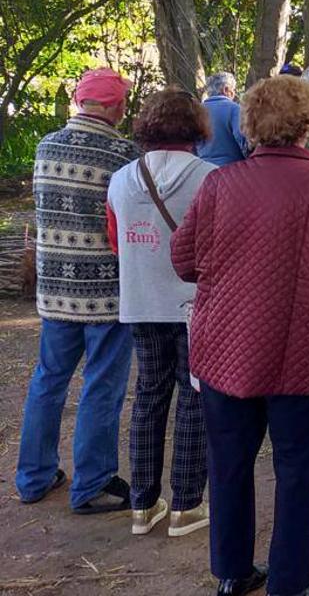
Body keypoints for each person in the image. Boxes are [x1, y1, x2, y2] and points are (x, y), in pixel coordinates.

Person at [172, 75, 309, 596]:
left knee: (230, 464)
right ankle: (290, 582)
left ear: (250, 123)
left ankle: (233, 573)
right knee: (298, 471)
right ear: (308, 122)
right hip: (304, 355)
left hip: (224, 349)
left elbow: (183, 259)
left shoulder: (220, 184)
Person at [17, 68, 139, 513]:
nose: (125, 108)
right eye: (122, 101)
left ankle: (33, 477)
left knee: (47, 381)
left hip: (54, 292)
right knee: (102, 385)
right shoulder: (122, 154)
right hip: (105, 292)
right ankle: (91, 484)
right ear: (111, 106)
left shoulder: (45, 146)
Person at [106, 87, 216, 536]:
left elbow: (115, 241)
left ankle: (142, 504)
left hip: (139, 300)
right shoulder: (209, 177)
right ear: (196, 127)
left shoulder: (120, 179)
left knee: (148, 398)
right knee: (193, 400)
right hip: (193, 304)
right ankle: (186, 506)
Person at [196, 72, 249, 166]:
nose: (234, 93)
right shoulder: (234, 109)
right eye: (233, 89)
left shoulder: (196, 111)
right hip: (231, 168)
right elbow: (243, 139)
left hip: (202, 169)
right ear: (226, 89)